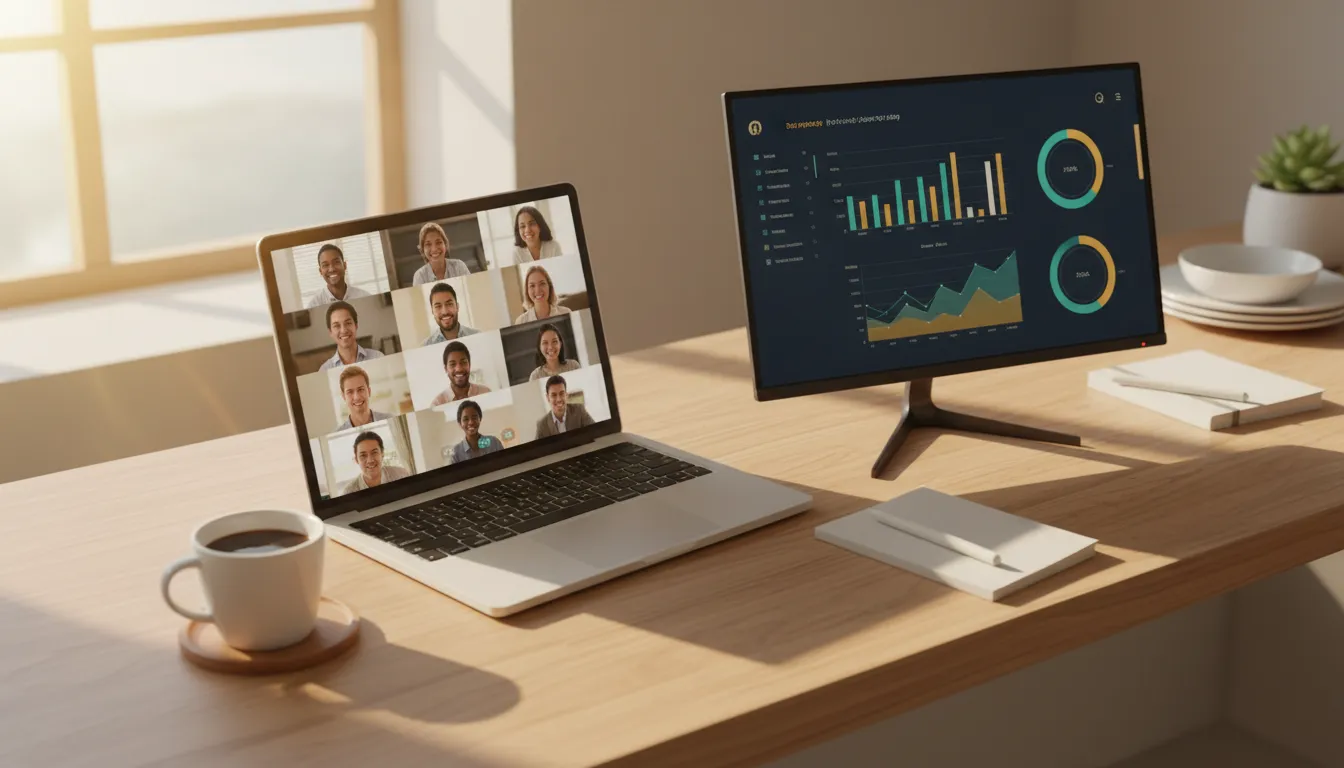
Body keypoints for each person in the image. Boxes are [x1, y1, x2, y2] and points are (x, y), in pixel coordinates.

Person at [318, 300, 385, 371]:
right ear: (330, 332)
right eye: (337, 326)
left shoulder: (377, 357)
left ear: (356, 326)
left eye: (348, 323)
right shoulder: (325, 370)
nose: (343, 330)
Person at [341, 431, 411, 495]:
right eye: (363, 455)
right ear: (356, 459)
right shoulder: (349, 491)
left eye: (374, 452)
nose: (370, 460)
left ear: (382, 453)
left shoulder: (401, 474)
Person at [306, 243, 372, 307]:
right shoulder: (314, 304)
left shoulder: (365, 297)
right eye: (325, 265)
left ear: (345, 265)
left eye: (336, 262)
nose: (331, 269)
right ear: (320, 271)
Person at [429, 341, 492, 406]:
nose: (459, 369)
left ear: (469, 364)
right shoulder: (438, 404)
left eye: (463, 362)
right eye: (452, 364)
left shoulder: (486, 392)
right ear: (446, 369)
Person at [336, 365, 394, 430]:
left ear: (369, 391)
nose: (356, 397)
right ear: (343, 396)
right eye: (350, 392)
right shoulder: (338, 431)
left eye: (360, 389)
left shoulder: (391, 420)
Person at [447, 400, 505, 464]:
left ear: (480, 419)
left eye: (474, 417)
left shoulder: (494, 442)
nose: (471, 422)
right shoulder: (456, 452)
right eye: (466, 419)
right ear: (460, 424)